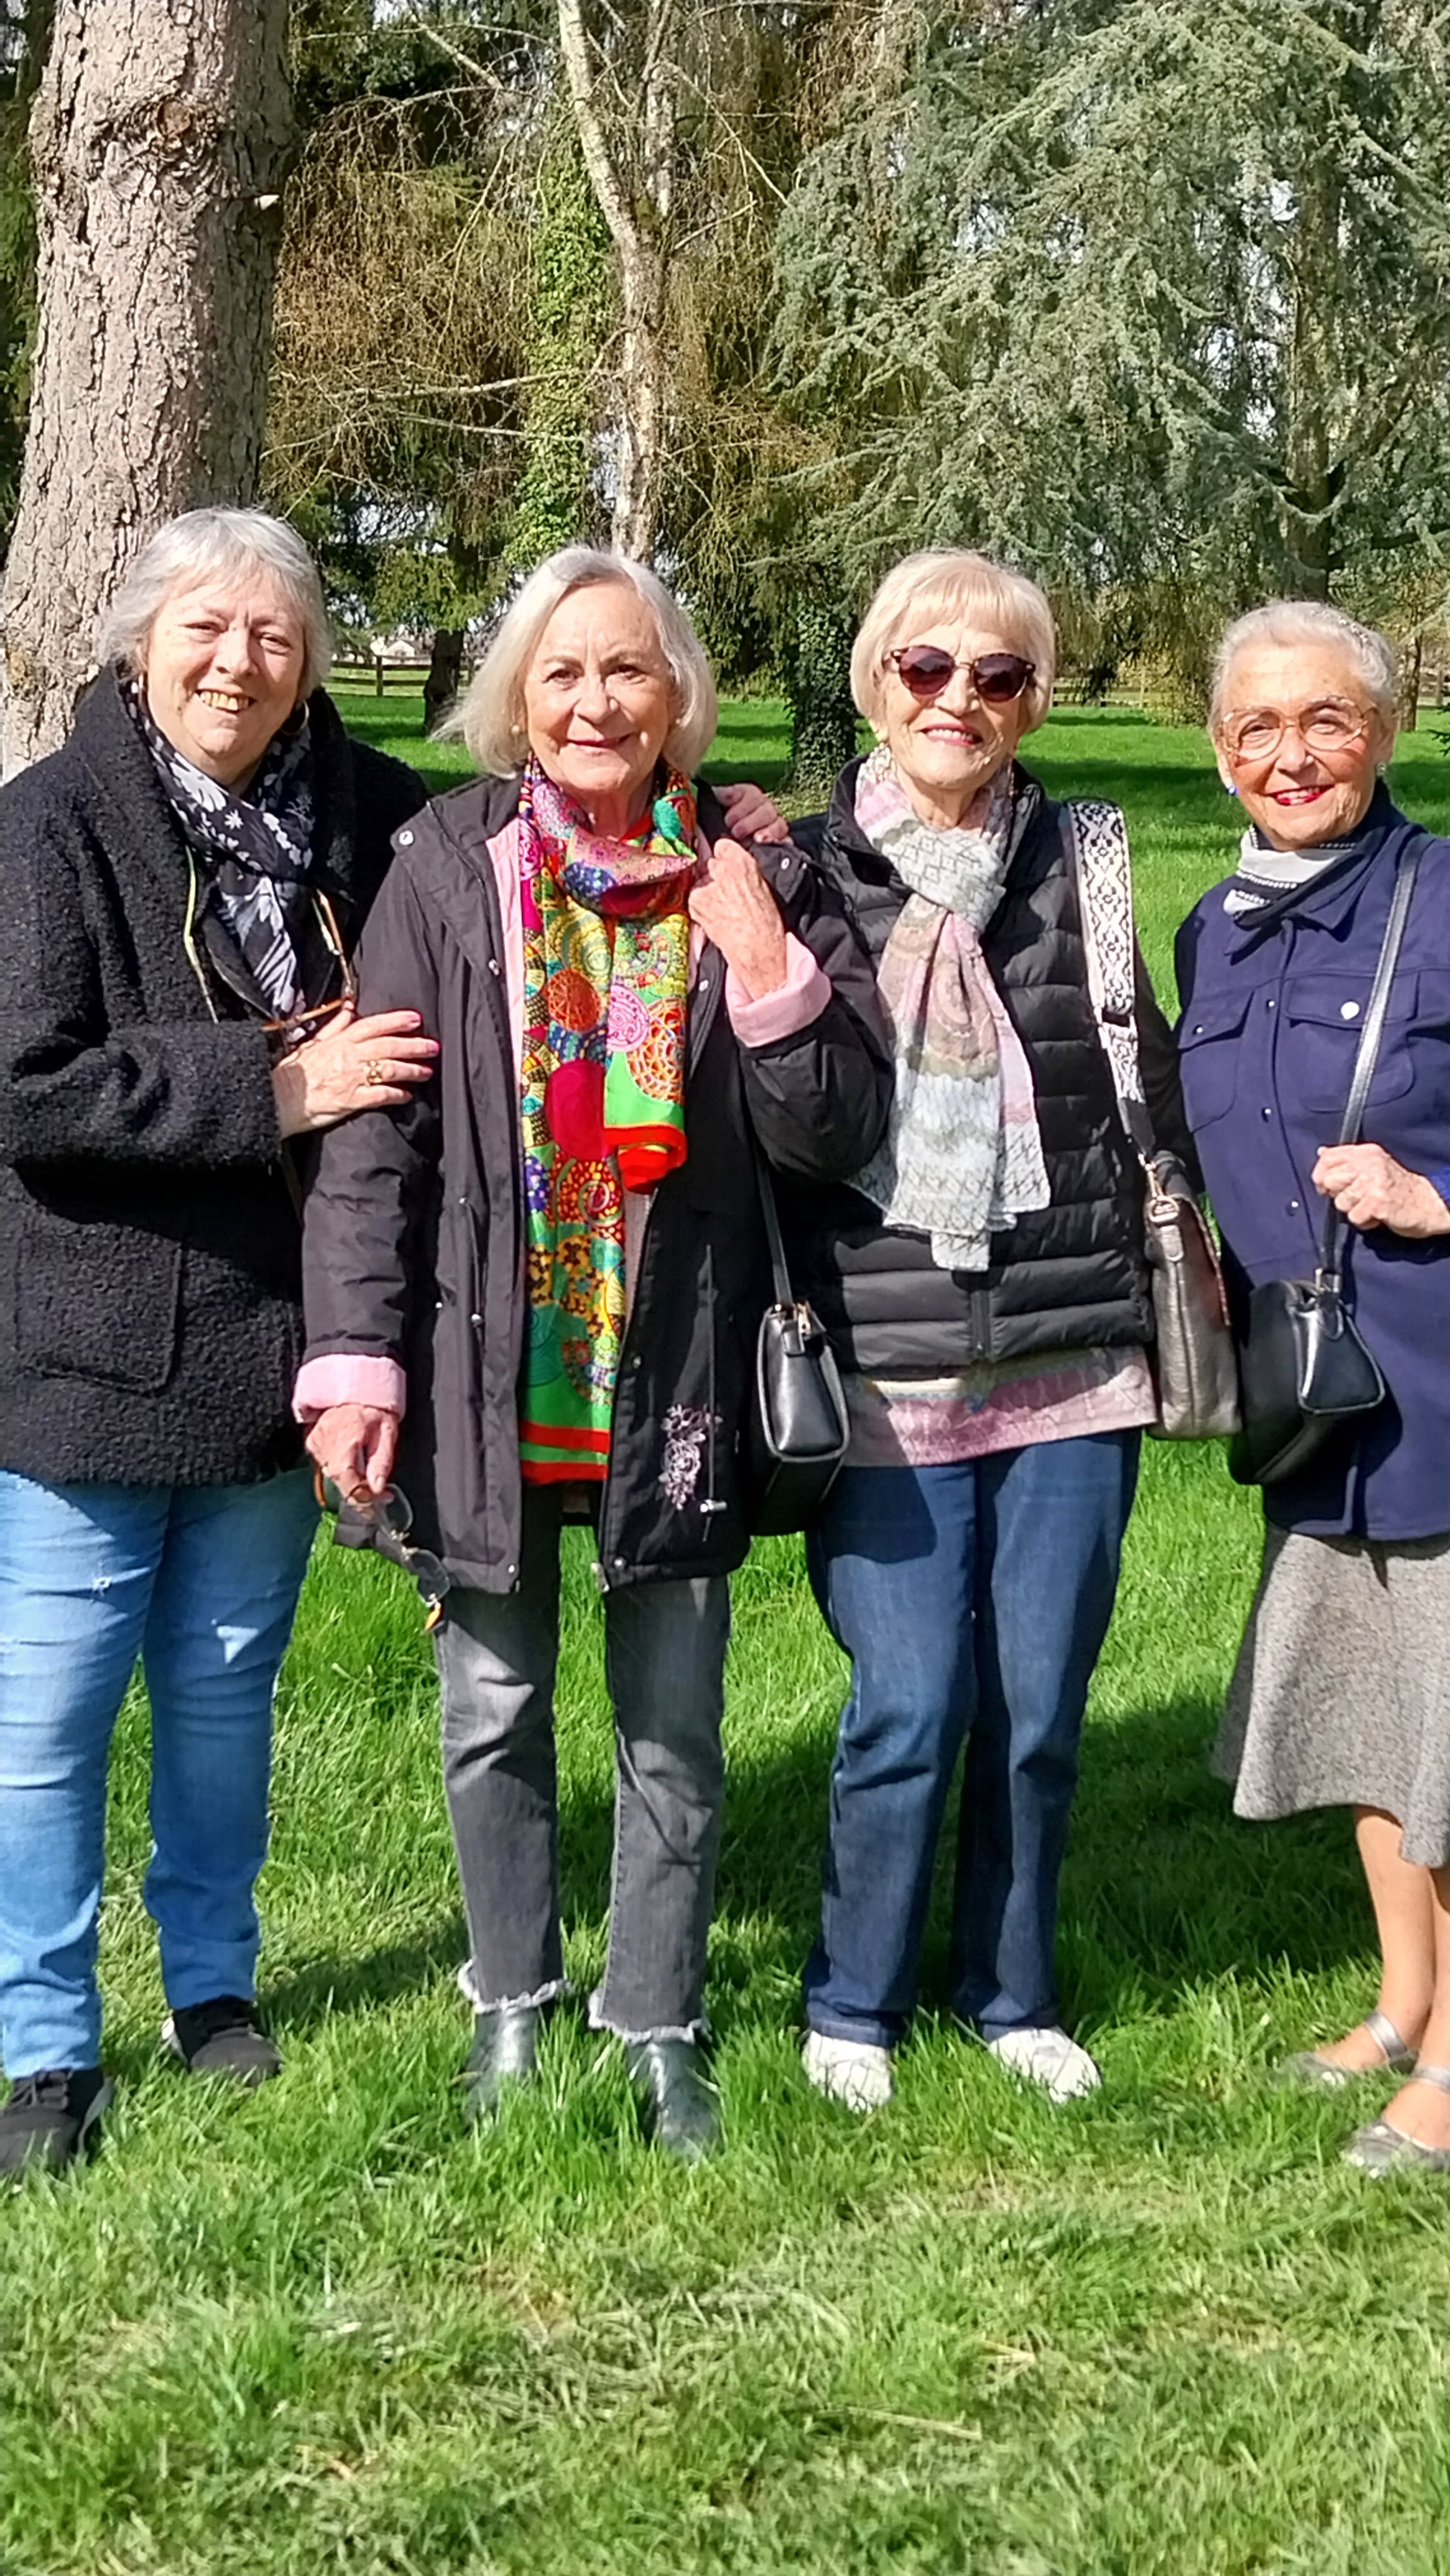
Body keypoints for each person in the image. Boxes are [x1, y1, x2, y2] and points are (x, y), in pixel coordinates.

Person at [297, 544, 890, 2161]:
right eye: (560, 672)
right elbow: (375, 1142)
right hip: (490, 1358)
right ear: (516, 699)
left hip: (675, 1358)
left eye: (626, 669)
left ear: (675, 694)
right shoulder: (446, 865)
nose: (593, 701)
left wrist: (764, 965)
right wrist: (353, 1355)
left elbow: (835, 1130)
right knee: (491, 1705)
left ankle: (657, 2016)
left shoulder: (752, 867)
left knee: (671, 1721)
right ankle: (510, 1997)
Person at [0, 508, 442, 2180]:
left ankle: (212, 1985)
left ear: (309, 658)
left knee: (220, 1698)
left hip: (280, 1349)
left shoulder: (376, 818)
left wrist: (731, 813)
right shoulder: (47, 828)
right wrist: (274, 1087)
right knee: (44, 1726)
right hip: (84, 1360)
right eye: (204, 626)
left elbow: (544, 823)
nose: (237, 663)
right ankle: (44, 2044)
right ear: (141, 642)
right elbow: (27, 1087)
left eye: (271, 634)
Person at [785, 547, 1190, 2113]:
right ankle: (851, 2001)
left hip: (1072, 1355)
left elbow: (1148, 1078)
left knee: (1034, 1711)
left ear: (1031, 699)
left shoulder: (1084, 865)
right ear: (874, 680)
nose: (958, 697)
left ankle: (1009, 1993)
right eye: (926, 666)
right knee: (906, 1703)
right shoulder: (802, 872)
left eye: (997, 674)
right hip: (881, 1362)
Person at [1177, 599, 1450, 2178]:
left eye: (1324, 720)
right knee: (1368, 1717)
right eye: (1256, 728)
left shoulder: (1441, 896)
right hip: (1313, 1403)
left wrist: (1434, 1194)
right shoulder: (1210, 927)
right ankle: (1402, 2007)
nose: (1290, 755)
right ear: (1218, 752)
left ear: (1383, 733)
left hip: (1437, 1379)